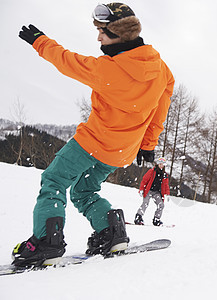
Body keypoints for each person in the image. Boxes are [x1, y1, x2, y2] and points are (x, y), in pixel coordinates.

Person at [13, 3, 174, 267]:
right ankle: (112, 233)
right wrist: (148, 143)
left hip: (93, 142)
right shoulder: (160, 69)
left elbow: (67, 61)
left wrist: (39, 41)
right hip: (123, 149)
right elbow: (164, 99)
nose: (98, 37)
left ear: (119, 35)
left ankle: (45, 243)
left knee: (54, 180)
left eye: (103, 32)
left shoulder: (108, 70)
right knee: (85, 190)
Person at [135, 157, 170, 226]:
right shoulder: (152, 171)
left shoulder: (164, 175)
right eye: (160, 164)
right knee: (145, 203)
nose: (161, 165)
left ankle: (156, 219)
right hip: (148, 190)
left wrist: (167, 194)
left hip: (156, 192)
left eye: (162, 164)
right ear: (157, 164)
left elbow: (166, 185)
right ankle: (138, 217)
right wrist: (141, 189)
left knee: (161, 205)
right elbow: (144, 180)